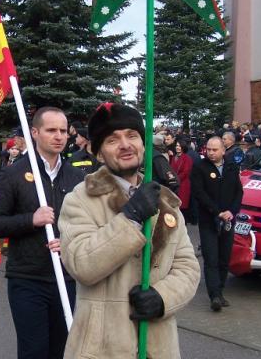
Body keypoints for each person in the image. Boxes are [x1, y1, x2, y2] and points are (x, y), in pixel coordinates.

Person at [58, 103, 200, 358]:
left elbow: (187, 266)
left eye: (132, 136)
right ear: (99, 153)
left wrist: (162, 298)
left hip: (158, 347)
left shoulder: (165, 202)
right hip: (102, 348)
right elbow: (81, 264)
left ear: (143, 145)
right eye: (112, 140)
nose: (125, 144)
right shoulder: (80, 200)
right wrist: (130, 218)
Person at [0, 107, 84, 359]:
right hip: (28, 279)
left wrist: (71, 241)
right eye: (51, 130)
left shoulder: (77, 177)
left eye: (63, 131)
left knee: (63, 350)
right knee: (34, 352)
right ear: (35, 133)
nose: (59, 136)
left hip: (67, 279)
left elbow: (88, 225)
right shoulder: (13, 173)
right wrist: (31, 219)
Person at [191, 136, 243, 312]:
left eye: (215, 150)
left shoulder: (231, 167)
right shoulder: (200, 167)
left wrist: (231, 211)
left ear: (223, 150)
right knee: (211, 258)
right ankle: (214, 295)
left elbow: (238, 192)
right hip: (209, 220)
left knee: (224, 258)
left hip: (228, 220)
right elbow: (199, 193)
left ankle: (220, 292)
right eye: (208, 149)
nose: (211, 153)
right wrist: (216, 212)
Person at [171, 139, 193, 221]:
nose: (177, 147)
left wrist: (175, 179)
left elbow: (186, 172)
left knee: (182, 207)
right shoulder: (173, 157)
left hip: (183, 185)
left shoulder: (187, 158)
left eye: (179, 146)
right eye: (176, 145)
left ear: (183, 147)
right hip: (174, 184)